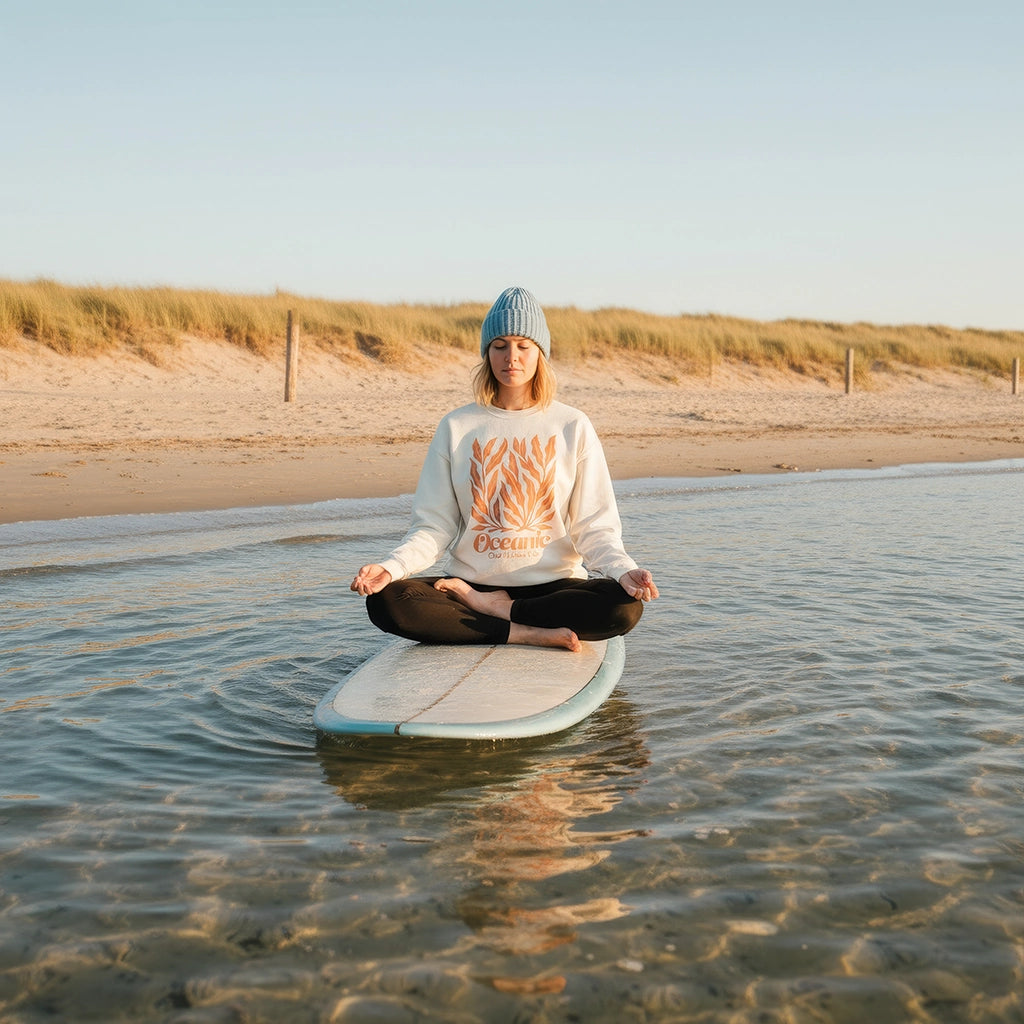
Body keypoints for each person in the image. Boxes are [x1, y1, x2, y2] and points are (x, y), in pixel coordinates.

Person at [351, 285, 659, 653]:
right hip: (471, 587)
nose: (511, 357)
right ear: (486, 353)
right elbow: (434, 526)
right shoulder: (457, 427)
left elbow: (593, 526)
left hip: (555, 588)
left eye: (523, 346)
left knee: (623, 608)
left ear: (540, 353)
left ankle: (503, 612)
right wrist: (392, 567)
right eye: (499, 346)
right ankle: (525, 632)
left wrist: (623, 570)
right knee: (388, 601)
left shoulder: (571, 425)